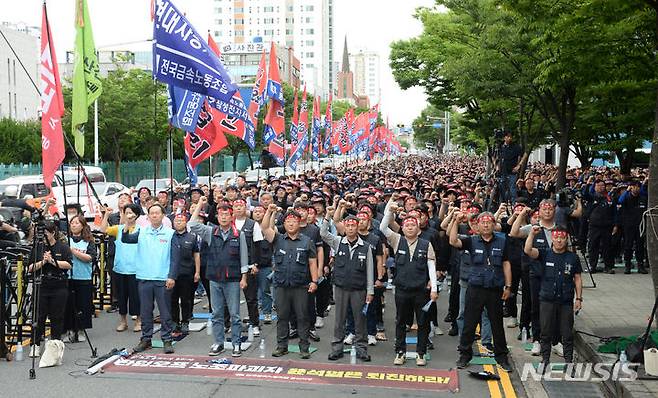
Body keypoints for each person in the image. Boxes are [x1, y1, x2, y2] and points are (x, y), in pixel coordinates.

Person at [450, 211, 513, 372]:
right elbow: (453, 241)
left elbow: (506, 263)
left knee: (497, 324)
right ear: (477, 225)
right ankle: (465, 354)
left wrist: (508, 286)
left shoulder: (502, 241)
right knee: (469, 323)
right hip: (475, 288)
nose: (485, 225)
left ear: (494, 225)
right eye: (482, 223)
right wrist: (456, 222)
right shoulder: (471, 241)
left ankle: (501, 356)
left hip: (494, 288)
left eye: (489, 222)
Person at [380, 195, 438, 367]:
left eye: (413, 224)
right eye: (407, 225)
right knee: (400, 321)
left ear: (419, 228)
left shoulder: (426, 244)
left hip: (421, 290)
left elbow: (431, 267)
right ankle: (400, 351)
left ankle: (421, 352)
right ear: (403, 228)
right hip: (402, 290)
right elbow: (383, 227)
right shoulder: (397, 240)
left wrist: (434, 288)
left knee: (422, 322)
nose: (410, 227)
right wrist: (390, 211)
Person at [189, 198, 249, 357]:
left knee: (235, 314)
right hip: (214, 279)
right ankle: (218, 343)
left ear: (231, 217)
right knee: (216, 313)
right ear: (217, 217)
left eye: (227, 214)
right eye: (221, 214)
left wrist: (244, 278)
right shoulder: (211, 232)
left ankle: (236, 344)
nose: (223, 217)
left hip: (233, 280)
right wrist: (200, 205)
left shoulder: (238, 234)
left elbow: (244, 258)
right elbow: (192, 225)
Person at [261, 204, 318, 359]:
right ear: (284, 224)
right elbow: (265, 227)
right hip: (281, 285)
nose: (291, 224)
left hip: (301, 286)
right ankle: (282, 346)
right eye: (288, 222)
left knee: (302, 317)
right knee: (282, 317)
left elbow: (313, 262)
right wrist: (269, 211)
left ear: (299, 223)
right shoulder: (278, 239)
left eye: (294, 221)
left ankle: (304, 347)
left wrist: (314, 281)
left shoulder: (307, 241)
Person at [122, 204, 179, 354]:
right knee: (146, 311)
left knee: (165, 311)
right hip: (144, 277)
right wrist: (127, 224)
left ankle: (167, 339)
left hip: (162, 278)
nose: (154, 216)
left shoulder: (170, 233)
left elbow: (175, 258)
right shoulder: (141, 231)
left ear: (163, 215)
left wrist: (172, 276)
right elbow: (127, 239)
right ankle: (146, 339)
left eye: (157, 213)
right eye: (151, 213)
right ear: (148, 216)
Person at [524, 225, 582, 369]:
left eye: (562, 238)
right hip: (547, 299)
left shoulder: (573, 257)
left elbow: (578, 278)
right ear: (552, 239)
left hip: (566, 300)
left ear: (566, 239)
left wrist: (579, 298)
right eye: (556, 237)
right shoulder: (545, 254)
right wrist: (531, 234)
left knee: (567, 333)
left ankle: (569, 362)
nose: (559, 240)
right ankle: (545, 360)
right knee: (545, 331)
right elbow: (528, 250)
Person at [320, 214, 374, 362]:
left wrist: (370, 291)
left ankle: (361, 348)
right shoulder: (338, 242)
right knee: (339, 320)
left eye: (353, 226)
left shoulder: (366, 247)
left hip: (359, 289)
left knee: (360, 320)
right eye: (348, 225)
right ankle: (337, 348)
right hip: (341, 288)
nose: (350, 228)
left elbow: (370, 270)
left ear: (358, 227)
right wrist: (327, 217)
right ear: (344, 226)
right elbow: (323, 233)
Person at [28, 221, 72, 357]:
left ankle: (55, 344)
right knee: (39, 316)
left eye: (46, 233)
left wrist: (52, 261)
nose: (43, 236)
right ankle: (35, 344)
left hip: (58, 286)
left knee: (57, 317)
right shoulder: (37, 248)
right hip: (41, 285)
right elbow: (30, 267)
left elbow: (68, 265)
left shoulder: (63, 247)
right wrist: (43, 262)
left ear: (53, 233)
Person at [100, 203, 142, 332]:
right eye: (126, 212)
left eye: (131, 212)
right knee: (121, 297)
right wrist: (106, 214)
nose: (129, 215)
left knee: (136, 297)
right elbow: (103, 230)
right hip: (120, 269)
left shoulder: (141, 230)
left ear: (137, 215)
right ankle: (123, 321)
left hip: (135, 269)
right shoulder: (118, 229)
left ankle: (138, 321)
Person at [64, 215, 97, 343]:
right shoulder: (65, 240)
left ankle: (81, 329)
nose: (74, 225)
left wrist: (73, 252)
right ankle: (69, 329)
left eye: (77, 223)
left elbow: (90, 257)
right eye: (72, 223)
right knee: (68, 305)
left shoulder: (88, 241)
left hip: (83, 277)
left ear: (83, 226)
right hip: (68, 277)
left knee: (83, 305)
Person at [170, 212, 201, 335]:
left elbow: (196, 255)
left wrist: (197, 272)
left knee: (186, 299)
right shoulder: (170, 236)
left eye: (181, 221)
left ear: (186, 223)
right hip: (172, 273)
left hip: (187, 272)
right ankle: (174, 321)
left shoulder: (192, 237)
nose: (178, 223)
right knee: (172, 299)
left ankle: (185, 321)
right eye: (176, 221)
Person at [617, 180, 649, 274]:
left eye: (638, 187)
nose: (636, 188)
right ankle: (627, 265)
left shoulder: (643, 197)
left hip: (640, 226)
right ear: (630, 187)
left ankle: (640, 265)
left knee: (640, 246)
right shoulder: (626, 197)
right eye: (633, 186)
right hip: (628, 226)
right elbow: (620, 201)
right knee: (628, 246)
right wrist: (627, 191)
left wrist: (643, 184)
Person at [497, 131, 523, 203]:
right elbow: (497, 158)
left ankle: (514, 205)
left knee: (512, 189)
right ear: (504, 137)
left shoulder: (516, 146)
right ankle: (503, 205)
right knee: (502, 189)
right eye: (508, 136)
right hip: (502, 171)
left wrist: (519, 165)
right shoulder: (500, 146)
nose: (509, 138)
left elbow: (523, 154)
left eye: (510, 137)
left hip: (512, 171)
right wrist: (497, 167)